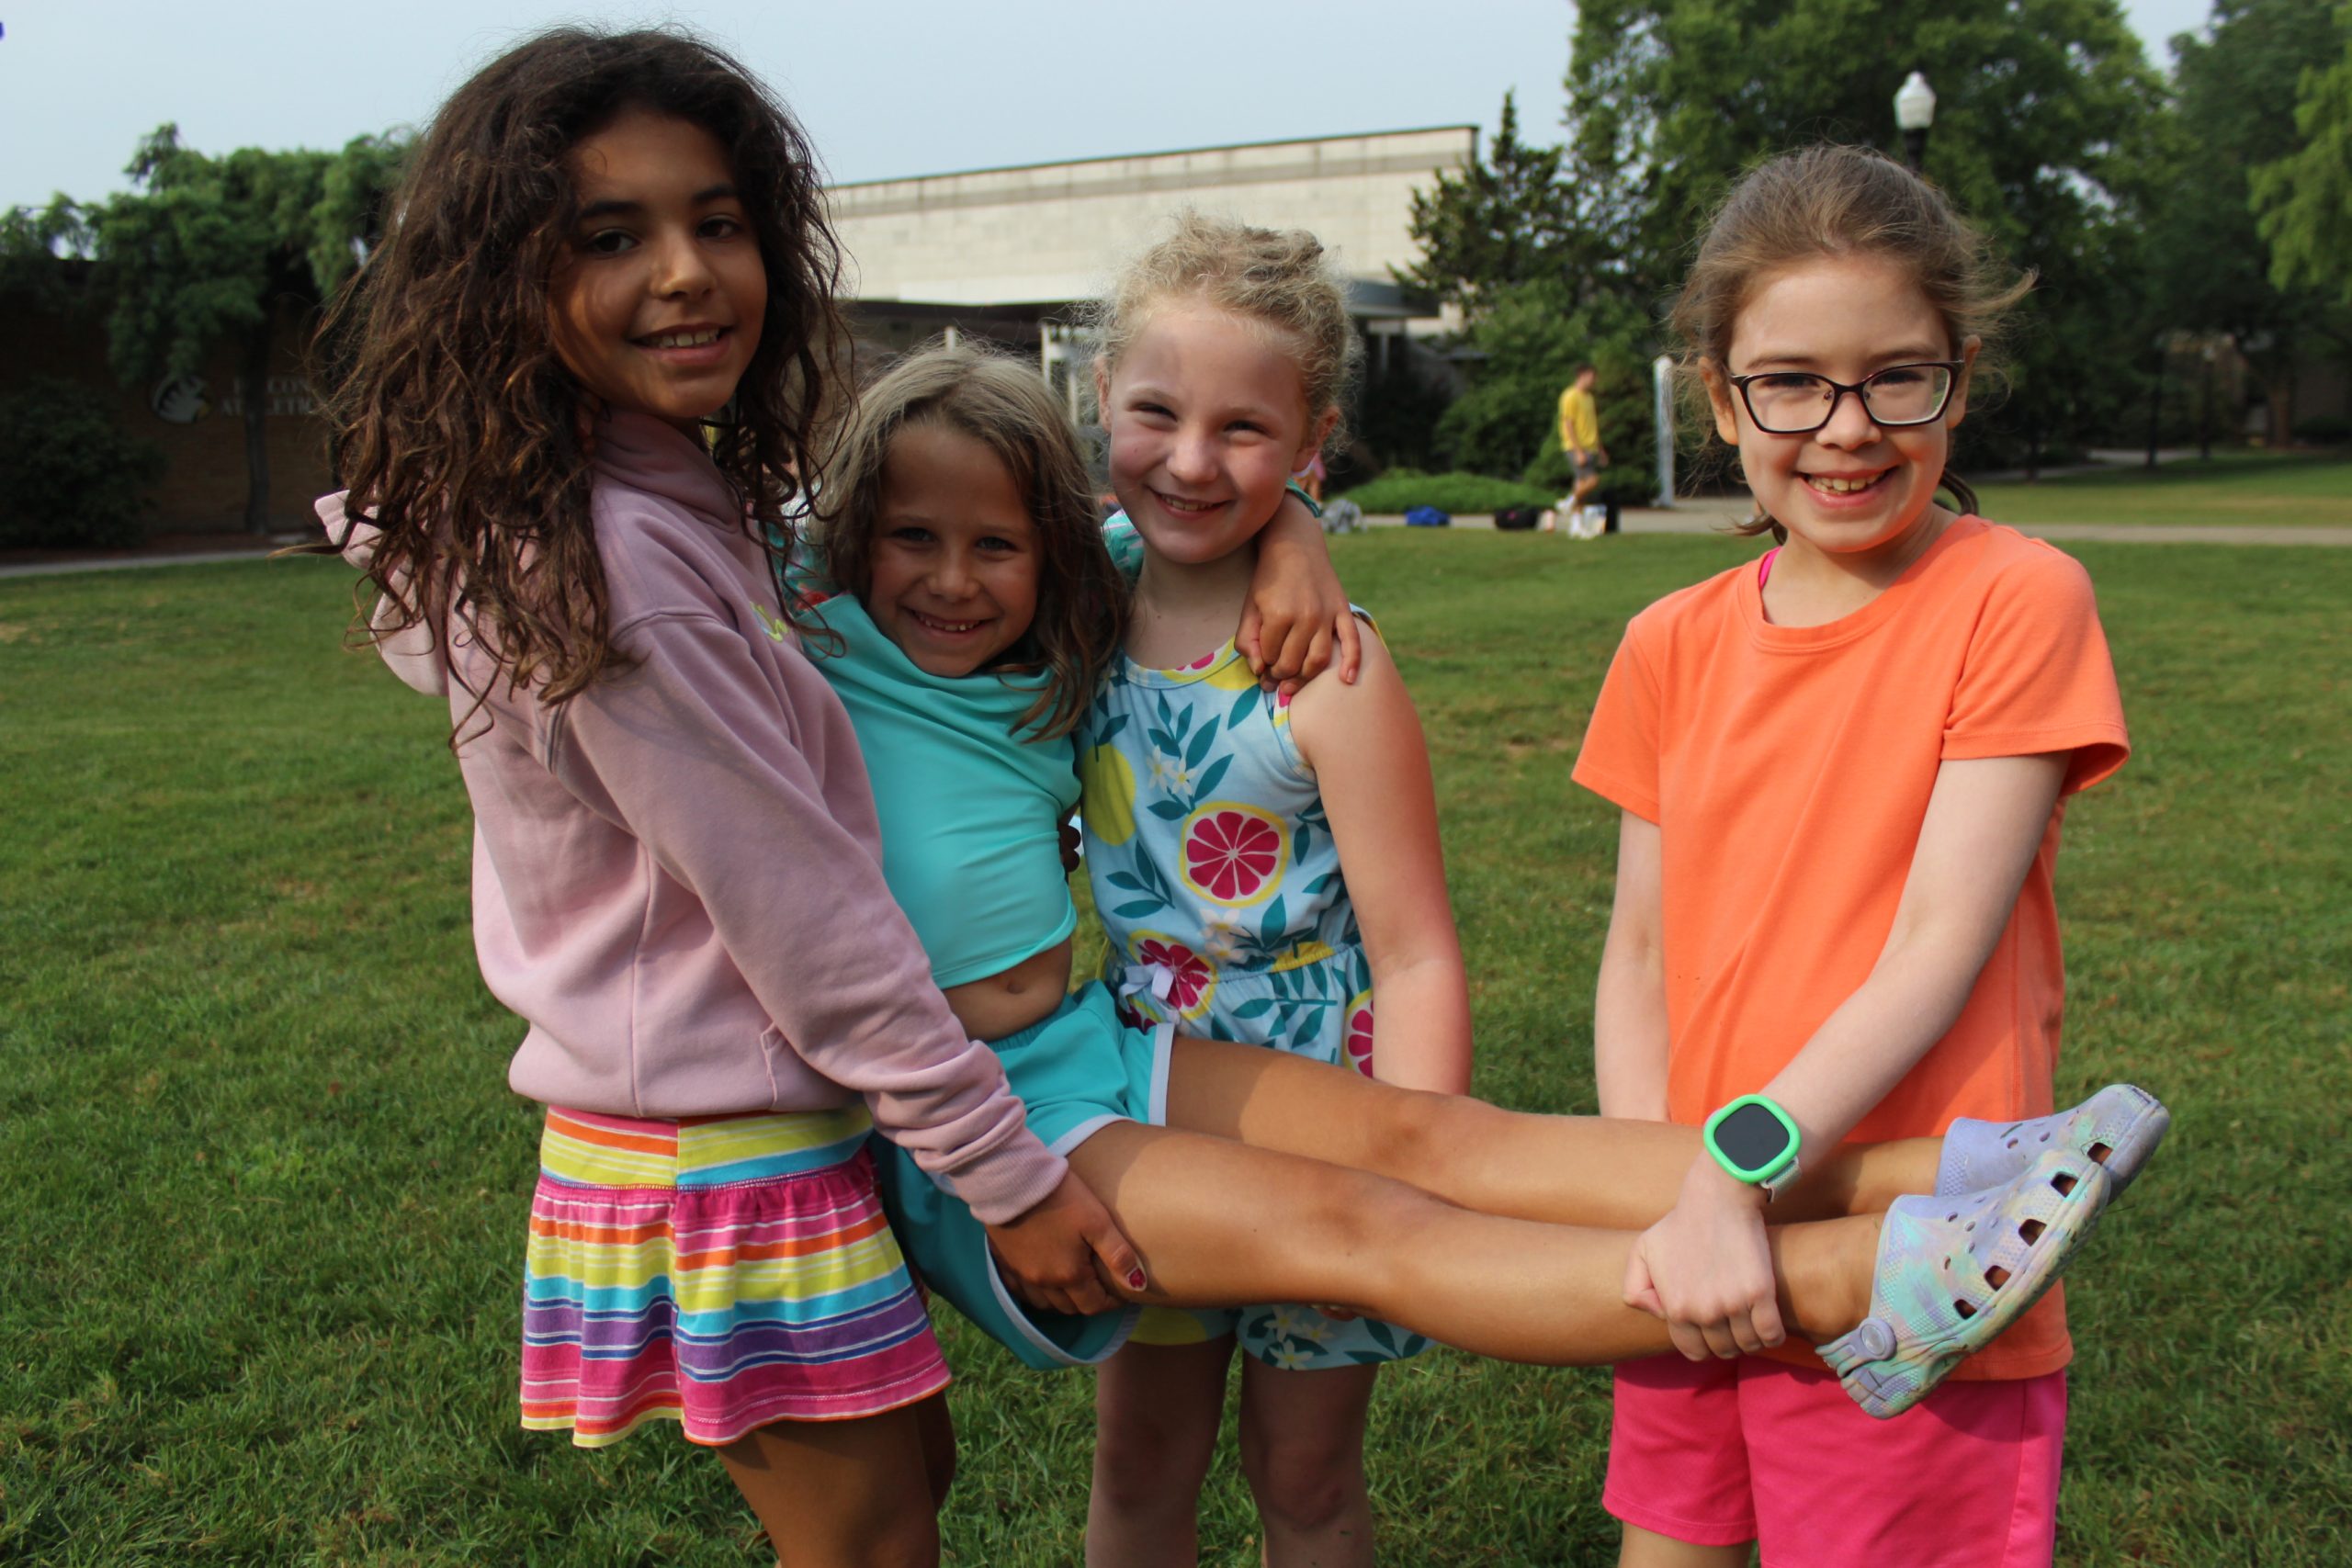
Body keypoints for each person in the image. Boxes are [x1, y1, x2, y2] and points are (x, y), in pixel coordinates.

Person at [786, 328, 2151, 1562]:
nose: (955, 579)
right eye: (912, 539)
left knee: (1454, 1148)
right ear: (854, 540)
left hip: (1097, 1044)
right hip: (969, 1113)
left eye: (995, 545)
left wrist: (1299, 530)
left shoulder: (1056, 625)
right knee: (1363, 1236)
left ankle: (1965, 1164)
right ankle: (1860, 1276)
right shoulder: (815, 638)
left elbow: (1197, 507)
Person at [309, 29, 1150, 1568]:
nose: (688, 272)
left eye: (717, 221)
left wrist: (1279, 536)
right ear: (503, 277)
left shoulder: (649, 493)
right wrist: (1009, 1176)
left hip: (732, 1121)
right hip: (722, 1145)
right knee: (873, 1537)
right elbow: (810, 915)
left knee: (900, 1494)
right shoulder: (618, 563)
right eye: (610, 236)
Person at [1572, 145, 2160, 1568]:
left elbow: (1938, 943)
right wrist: (1671, 1187)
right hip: (1704, 1236)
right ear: (1721, 395)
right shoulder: (1669, 639)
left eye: (1899, 375)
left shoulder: (2015, 599)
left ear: (1958, 371)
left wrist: (1728, 1179)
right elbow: (1640, 948)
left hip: (1910, 1249)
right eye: (1791, 381)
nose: (1847, 427)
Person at [1549, 364, 1610, 538]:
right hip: (1576, 447)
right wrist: (1578, 451)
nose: (1594, 380)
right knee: (1592, 481)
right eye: (1592, 376)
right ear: (1582, 376)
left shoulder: (1589, 398)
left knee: (1581, 486)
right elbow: (1568, 424)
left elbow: (1592, 426)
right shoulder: (1570, 396)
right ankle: (1567, 503)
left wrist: (1601, 449)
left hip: (1590, 446)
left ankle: (1576, 525)